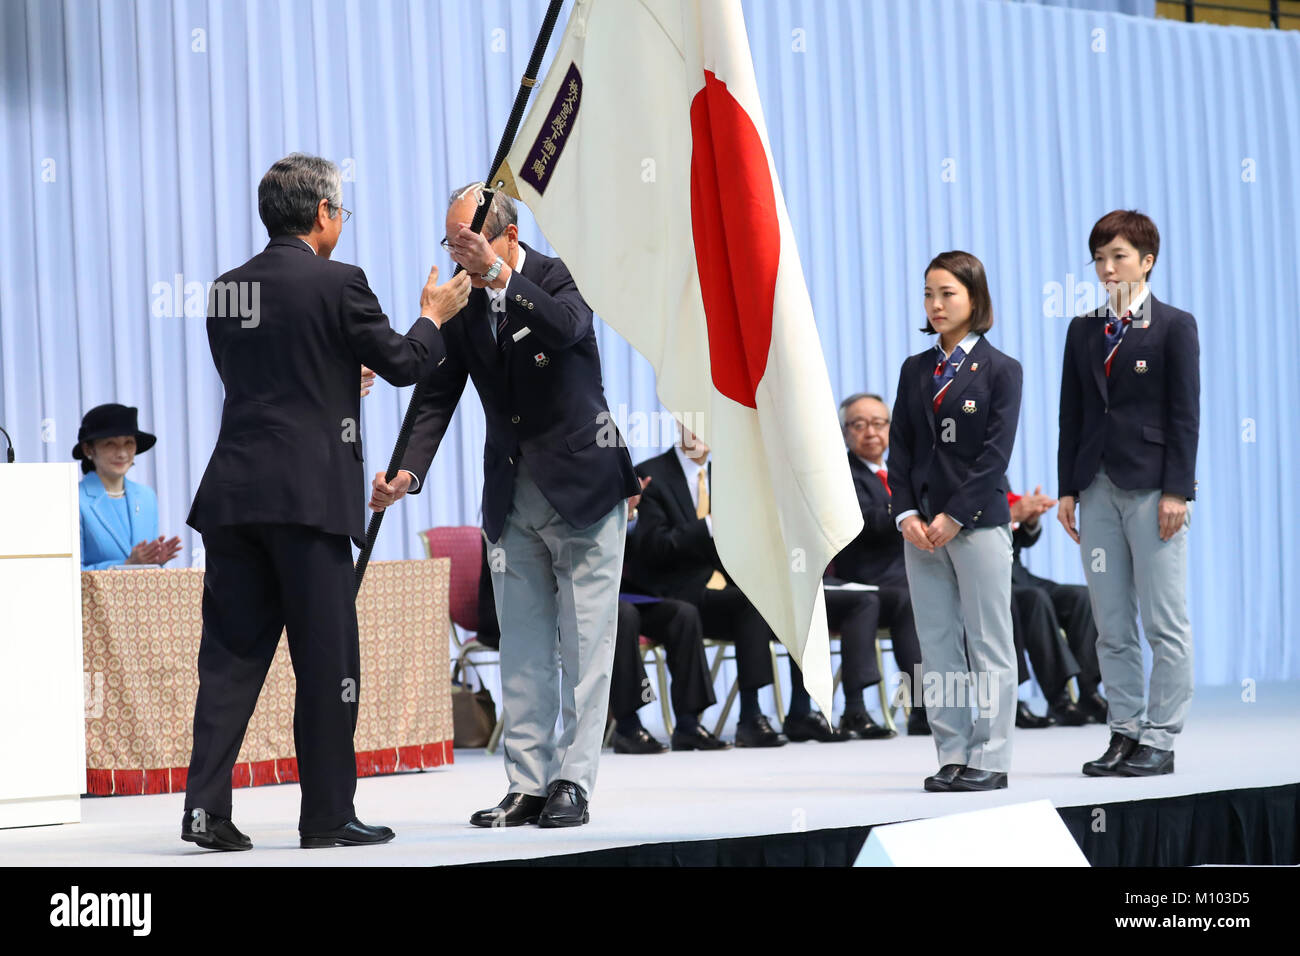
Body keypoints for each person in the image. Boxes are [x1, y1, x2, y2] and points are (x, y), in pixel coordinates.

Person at [182, 153, 468, 852]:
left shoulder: (225, 290)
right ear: (323, 215)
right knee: (327, 663)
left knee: (229, 660)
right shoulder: (342, 282)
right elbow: (405, 364)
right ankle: (327, 815)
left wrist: (337, 378)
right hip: (309, 502)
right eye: (342, 210)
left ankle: (204, 812)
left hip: (235, 495)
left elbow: (266, 380)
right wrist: (432, 316)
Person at [369, 183, 639, 829]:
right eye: (451, 243)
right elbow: (437, 396)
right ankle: (528, 783)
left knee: (585, 643)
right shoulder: (461, 304)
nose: (458, 255)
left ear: (508, 236)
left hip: (585, 488)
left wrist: (497, 276)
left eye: (468, 240)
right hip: (511, 493)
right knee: (520, 646)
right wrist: (407, 469)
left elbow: (568, 327)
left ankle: (574, 780)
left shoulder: (559, 275)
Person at [625, 427, 887, 744]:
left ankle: (795, 712)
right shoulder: (650, 473)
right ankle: (749, 713)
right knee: (752, 602)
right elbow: (652, 546)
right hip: (673, 592)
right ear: (681, 423)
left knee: (790, 600)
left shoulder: (727, 475)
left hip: (725, 588)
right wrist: (709, 524)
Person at [1058, 210, 1199, 778]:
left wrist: (1178, 491)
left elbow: (1185, 415)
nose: (1107, 267)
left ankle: (1161, 739)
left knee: (1165, 621)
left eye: (1118, 256)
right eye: (1099, 258)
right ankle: (1124, 730)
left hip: (1152, 492)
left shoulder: (1174, 326)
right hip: (1096, 490)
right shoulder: (1082, 329)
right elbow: (1072, 414)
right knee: (1111, 624)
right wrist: (1068, 487)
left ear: (1147, 261)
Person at [888, 250, 1022, 792]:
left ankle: (990, 757)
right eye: (928, 293)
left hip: (978, 525)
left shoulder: (1002, 370)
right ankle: (952, 752)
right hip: (920, 531)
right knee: (937, 645)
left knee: (989, 643)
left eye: (948, 293)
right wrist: (906, 514)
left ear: (975, 299)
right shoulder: (915, 369)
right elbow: (900, 450)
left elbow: (994, 457)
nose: (936, 304)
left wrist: (953, 516)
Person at [833, 392, 928, 736]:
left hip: (908, 575)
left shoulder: (905, 469)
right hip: (864, 577)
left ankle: (1002, 702)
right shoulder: (837, 474)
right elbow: (866, 522)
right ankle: (916, 707)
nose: (870, 432)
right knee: (907, 599)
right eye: (859, 425)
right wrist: (912, 509)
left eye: (878, 423)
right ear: (845, 432)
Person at [1007, 484, 1105, 726]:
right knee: (1034, 600)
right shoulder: (948, 469)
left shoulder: (995, 466)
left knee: (1081, 597)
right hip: (983, 579)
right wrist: (1009, 516)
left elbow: (1020, 542)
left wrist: (1028, 521)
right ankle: (1059, 700)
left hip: (1018, 574)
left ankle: (1089, 692)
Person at [74, 403, 182, 570]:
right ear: (89, 449)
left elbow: (144, 569)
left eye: (129, 443)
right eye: (110, 444)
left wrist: (153, 563)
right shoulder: (73, 499)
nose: (122, 453)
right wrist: (127, 565)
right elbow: (69, 575)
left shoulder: (146, 497)